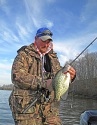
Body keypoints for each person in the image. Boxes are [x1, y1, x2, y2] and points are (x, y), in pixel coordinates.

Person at [9, 27, 76, 125]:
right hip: (27, 109)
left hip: (51, 110)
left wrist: (71, 76)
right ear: (36, 39)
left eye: (49, 41)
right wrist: (44, 83)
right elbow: (17, 76)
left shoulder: (53, 57)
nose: (46, 44)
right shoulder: (24, 54)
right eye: (44, 40)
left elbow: (59, 76)